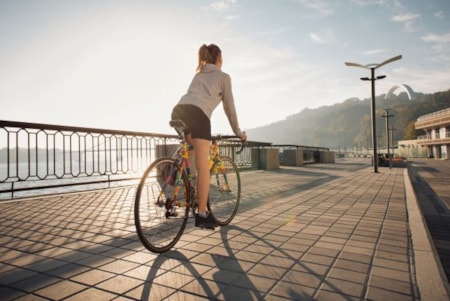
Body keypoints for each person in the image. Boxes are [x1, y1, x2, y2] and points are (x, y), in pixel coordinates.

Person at [171, 43, 247, 229]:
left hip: (178, 111)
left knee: (193, 152)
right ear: (219, 58)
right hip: (199, 117)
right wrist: (239, 133)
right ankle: (202, 214)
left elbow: (194, 99)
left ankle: (182, 177)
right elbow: (229, 108)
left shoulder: (199, 74)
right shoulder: (223, 77)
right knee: (203, 166)